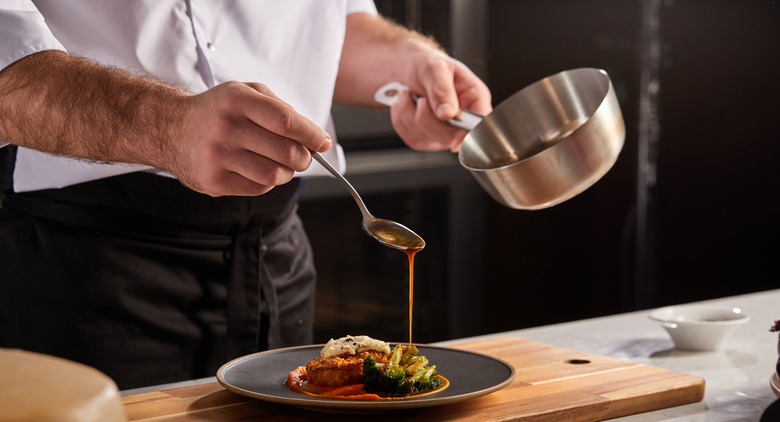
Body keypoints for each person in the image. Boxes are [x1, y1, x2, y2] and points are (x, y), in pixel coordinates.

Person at [0, 1, 491, 390]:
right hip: (83, 265)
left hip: (277, 256)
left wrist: (410, 63)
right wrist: (167, 127)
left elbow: (326, 26)